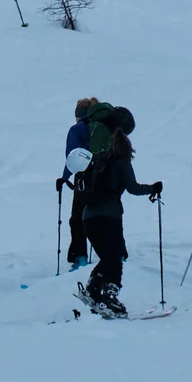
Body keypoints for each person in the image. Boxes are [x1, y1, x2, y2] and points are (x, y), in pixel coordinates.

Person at [70, 122, 161, 317]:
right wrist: (153, 188)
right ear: (128, 149)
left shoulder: (99, 161)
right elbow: (133, 188)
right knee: (115, 258)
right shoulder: (122, 162)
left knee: (107, 258)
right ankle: (110, 297)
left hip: (88, 218)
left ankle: (93, 289)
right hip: (109, 217)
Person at [61, 98, 122, 270]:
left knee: (78, 218)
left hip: (85, 179)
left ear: (79, 115)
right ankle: (119, 253)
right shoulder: (107, 127)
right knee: (110, 215)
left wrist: (64, 178)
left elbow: (72, 157)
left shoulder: (77, 130)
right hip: (109, 177)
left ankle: (79, 256)